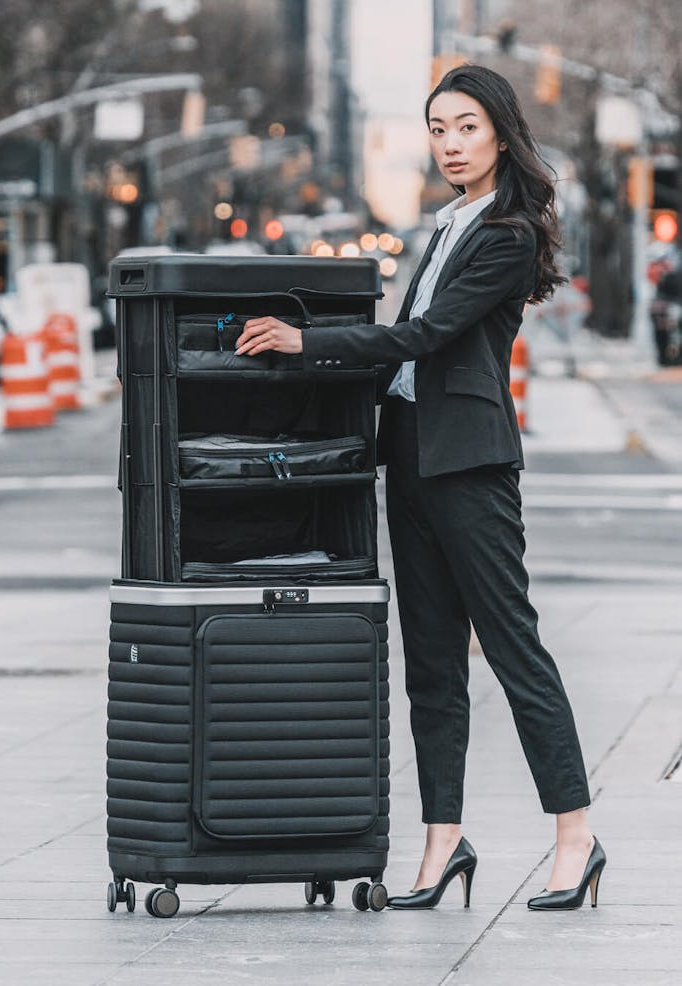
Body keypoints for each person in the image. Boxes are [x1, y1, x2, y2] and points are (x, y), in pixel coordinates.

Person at [235, 64, 606, 912]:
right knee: (431, 665)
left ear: (502, 134)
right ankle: (443, 844)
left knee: (515, 652)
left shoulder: (507, 234)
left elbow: (430, 335)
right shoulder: (443, 228)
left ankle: (575, 835)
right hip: (411, 460)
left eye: (466, 127)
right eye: (439, 128)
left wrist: (311, 343)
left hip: (471, 464)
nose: (450, 144)